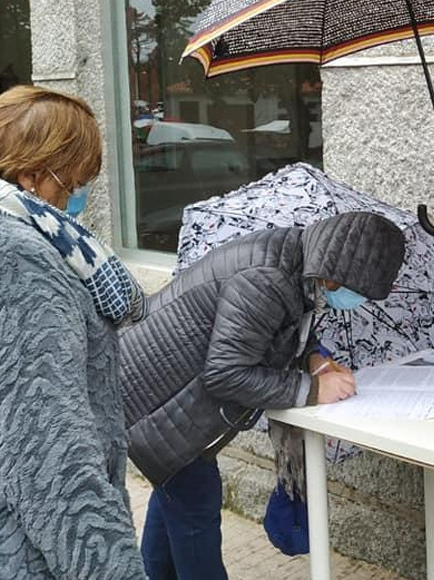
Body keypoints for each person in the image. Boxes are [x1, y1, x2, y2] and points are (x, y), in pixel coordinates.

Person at [119, 211, 406, 580]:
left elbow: (274, 329)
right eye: (360, 292)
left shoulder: (299, 265)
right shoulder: (267, 280)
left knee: (174, 509)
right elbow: (225, 373)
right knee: (195, 511)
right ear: (338, 277)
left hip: (165, 409)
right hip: (159, 410)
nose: (359, 301)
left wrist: (315, 358)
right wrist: (314, 389)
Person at [0, 86, 147, 577]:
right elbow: (48, 459)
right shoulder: (15, 260)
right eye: (72, 182)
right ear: (31, 174)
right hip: (18, 553)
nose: (77, 197)